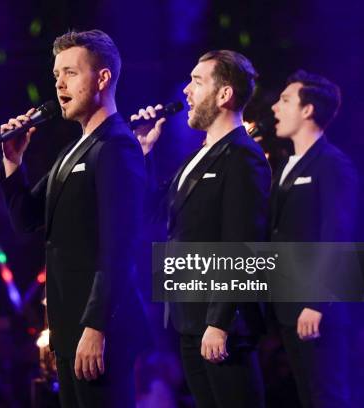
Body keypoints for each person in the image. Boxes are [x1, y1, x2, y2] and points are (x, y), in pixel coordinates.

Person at [0, 30, 149, 407]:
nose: (59, 84)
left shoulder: (117, 146)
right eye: (56, 75)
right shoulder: (73, 150)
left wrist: (95, 325)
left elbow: (120, 246)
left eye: (70, 73)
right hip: (68, 330)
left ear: (102, 78)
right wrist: (13, 163)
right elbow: (25, 220)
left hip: (99, 328)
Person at [132, 50, 269, 408]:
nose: (186, 93)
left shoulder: (243, 156)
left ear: (224, 95)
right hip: (189, 317)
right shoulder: (197, 156)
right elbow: (150, 213)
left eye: (197, 81)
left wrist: (220, 321)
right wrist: (145, 151)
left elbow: (242, 244)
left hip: (220, 322)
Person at [270, 70, 358, 407]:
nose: (276, 108)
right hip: (287, 305)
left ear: (307, 110)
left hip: (315, 307)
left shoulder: (333, 164)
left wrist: (317, 301)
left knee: (326, 395)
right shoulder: (285, 166)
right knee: (307, 394)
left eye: (285, 100)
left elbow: (337, 235)